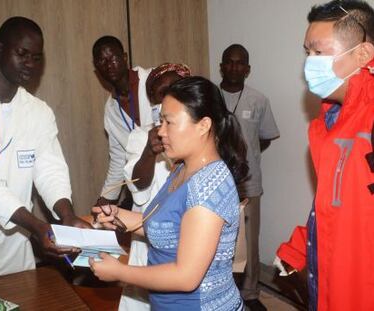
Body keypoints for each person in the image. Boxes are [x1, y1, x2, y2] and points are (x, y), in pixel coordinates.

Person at [90, 76, 249, 311]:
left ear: (203, 125)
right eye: (160, 121)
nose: (160, 131)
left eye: (169, 122)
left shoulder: (209, 187)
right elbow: (166, 226)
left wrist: (121, 272)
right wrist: (117, 216)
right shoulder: (183, 169)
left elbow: (186, 277)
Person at [0, 16, 90, 281]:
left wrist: (66, 215)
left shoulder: (39, 112)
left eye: (37, 57)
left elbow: (50, 168)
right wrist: (35, 224)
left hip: (14, 253)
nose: (30, 64)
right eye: (22, 54)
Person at [275, 1, 374, 310]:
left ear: (362, 55)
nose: (309, 62)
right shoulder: (329, 122)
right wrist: (298, 250)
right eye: (307, 52)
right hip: (330, 282)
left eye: (319, 52)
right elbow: (339, 202)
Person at [119, 63, 191, 311]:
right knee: (144, 300)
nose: (169, 97)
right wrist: (149, 152)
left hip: (187, 235)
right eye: (161, 93)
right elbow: (137, 188)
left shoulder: (197, 133)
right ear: (153, 101)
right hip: (147, 235)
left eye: (175, 90)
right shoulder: (140, 136)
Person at [219, 44, 280, 310]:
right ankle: (222, 292)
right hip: (216, 182)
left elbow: (264, 138)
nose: (234, 67)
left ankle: (251, 294)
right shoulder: (210, 97)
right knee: (217, 240)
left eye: (239, 63)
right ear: (221, 66)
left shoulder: (259, 99)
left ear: (248, 69)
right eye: (229, 62)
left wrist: (248, 156)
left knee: (249, 241)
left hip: (248, 183)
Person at [92, 36, 152, 207]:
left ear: (124, 57)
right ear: (97, 69)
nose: (108, 65)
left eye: (113, 58)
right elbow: (118, 159)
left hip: (175, 178)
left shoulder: (153, 81)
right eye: (102, 61)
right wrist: (104, 200)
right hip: (142, 186)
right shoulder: (111, 110)